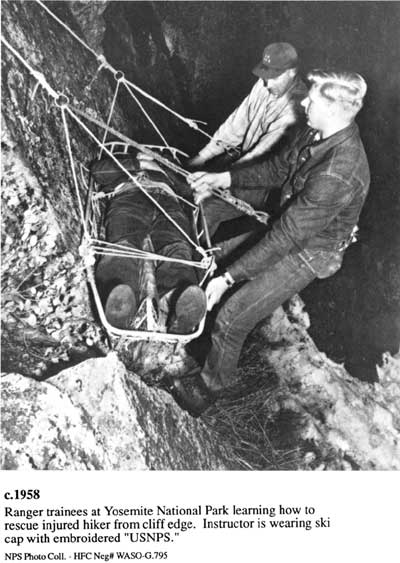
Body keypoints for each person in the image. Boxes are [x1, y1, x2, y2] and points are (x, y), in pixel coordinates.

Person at [168, 69, 370, 417]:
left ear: (335, 111)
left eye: (313, 98)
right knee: (214, 260)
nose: (303, 101)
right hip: (291, 222)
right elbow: (278, 170)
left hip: (310, 249)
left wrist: (230, 278)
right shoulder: (317, 132)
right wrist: (225, 177)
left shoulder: (339, 172)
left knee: (233, 317)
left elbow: (289, 237)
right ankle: (192, 329)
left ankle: (207, 389)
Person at [92, 151, 207, 334]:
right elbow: (99, 173)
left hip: (169, 203)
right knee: (123, 247)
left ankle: (177, 303)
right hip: (129, 196)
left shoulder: (166, 166)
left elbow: (186, 190)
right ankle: (120, 304)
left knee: (178, 250)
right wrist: (138, 164)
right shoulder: (124, 161)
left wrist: (160, 165)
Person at [187, 42, 307, 170]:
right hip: (245, 158)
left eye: (275, 77)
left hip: (264, 171)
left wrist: (229, 177)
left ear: (292, 72)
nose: (268, 84)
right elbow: (239, 122)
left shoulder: (295, 109)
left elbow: (262, 153)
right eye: (266, 76)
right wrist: (204, 155)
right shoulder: (263, 84)